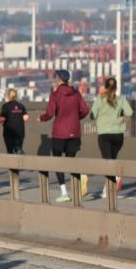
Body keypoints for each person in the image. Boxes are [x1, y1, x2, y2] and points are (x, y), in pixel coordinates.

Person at [39, 70, 89, 202]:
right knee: (70, 162)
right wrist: (77, 118)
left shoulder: (55, 95)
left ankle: (64, 193)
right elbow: (85, 110)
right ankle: (80, 176)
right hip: (74, 132)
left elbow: (49, 114)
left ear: (59, 80)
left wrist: (41, 118)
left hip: (59, 134)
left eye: (56, 77)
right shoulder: (76, 93)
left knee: (58, 163)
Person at [88, 77, 133, 197]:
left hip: (104, 135)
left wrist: (95, 116)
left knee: (107, 163)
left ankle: (115, 177)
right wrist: (119, 113)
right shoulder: (121, 100)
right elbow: (130, 113)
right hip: (118, 136)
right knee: (111, 161)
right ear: (116, 87)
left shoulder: (100, 100)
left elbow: (92, 115)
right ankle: (107, 190)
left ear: (105, 87)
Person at [0, 88, 29, 154]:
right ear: (16, 96)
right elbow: (26, 117)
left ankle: (11, 163)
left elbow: (3, 118)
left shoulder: (5, 106)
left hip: (9, 132)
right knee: (18, 148)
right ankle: (19, 154)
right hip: (20, 132)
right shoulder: (21, 106)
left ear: (8, 96)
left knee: (10, 151)